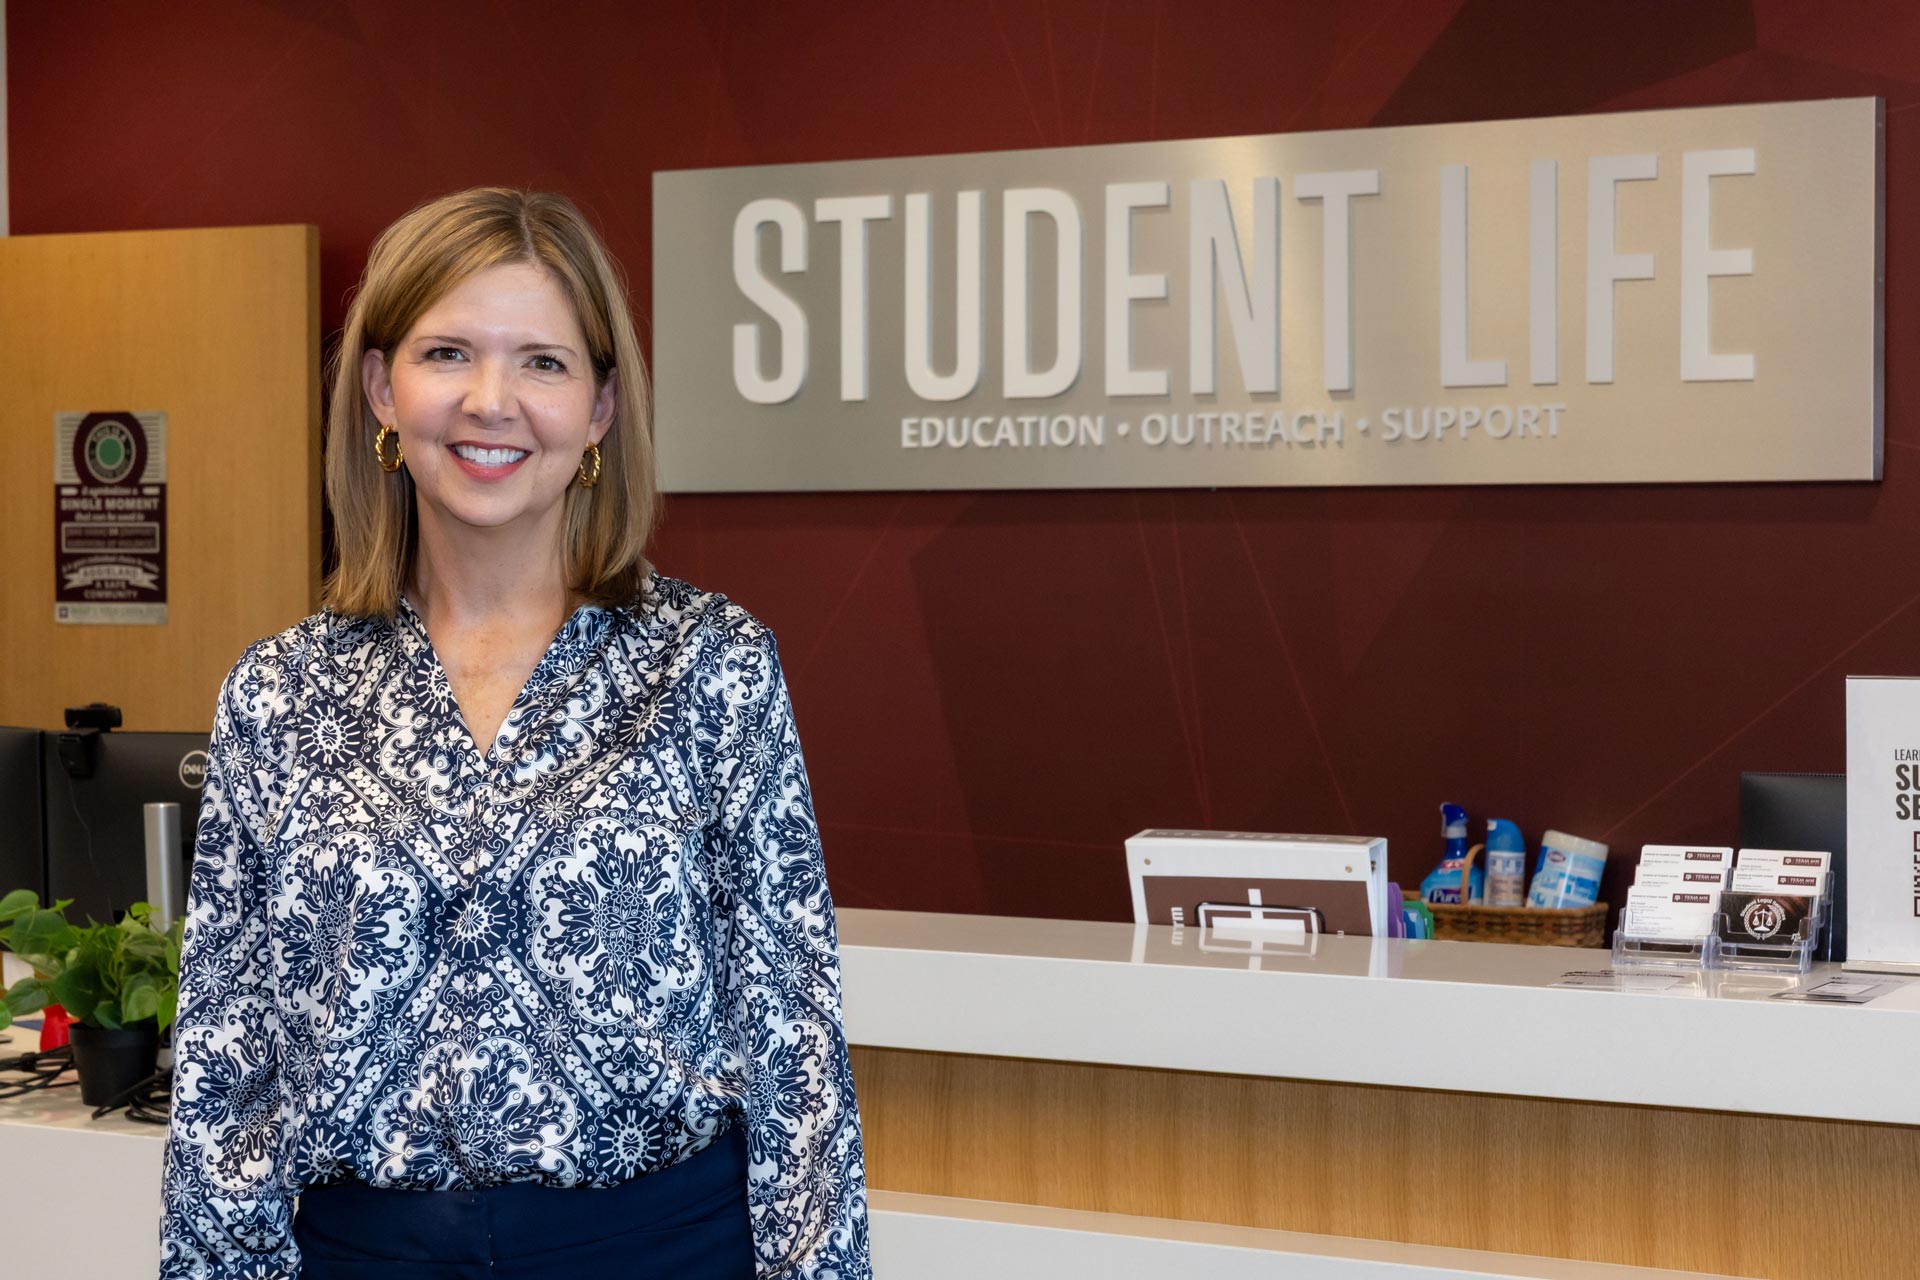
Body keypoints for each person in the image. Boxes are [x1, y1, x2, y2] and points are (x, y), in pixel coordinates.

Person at [157, 188, 870, 1279]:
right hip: (363, 1254)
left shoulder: (710, 664)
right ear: (379, 389)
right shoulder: (282, 691)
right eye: (448, 352)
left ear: (599, 410)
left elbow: (796, 1040)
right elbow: (226, 1063)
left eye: (542, 361)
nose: (492, 401)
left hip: (661, 1252)